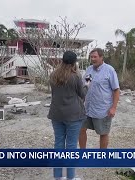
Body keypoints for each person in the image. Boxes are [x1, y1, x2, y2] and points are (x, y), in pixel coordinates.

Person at [47, 51, 88, 180]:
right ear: (74, 62)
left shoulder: (53, 75)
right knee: (71, 146)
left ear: (62, 60)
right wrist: (87, 83)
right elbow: (82, 94)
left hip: (56, 114)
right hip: (73, 116)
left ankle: (57, 177)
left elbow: (55, 93)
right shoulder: (75, 76)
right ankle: (70, 177)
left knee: (58, 144)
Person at [79, 48, 120, 149]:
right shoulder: (89, 70)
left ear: (101, 57)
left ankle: (102, 156)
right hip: (87, 108)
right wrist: (81, 103)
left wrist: (113, 108)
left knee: (103, 133)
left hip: (102, 109)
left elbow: (116, 90)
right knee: (81, 129)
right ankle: (82, 154)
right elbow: (86, 86)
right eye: (91, 57)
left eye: (95, 57)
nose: (92, 59)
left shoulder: (109, 70)